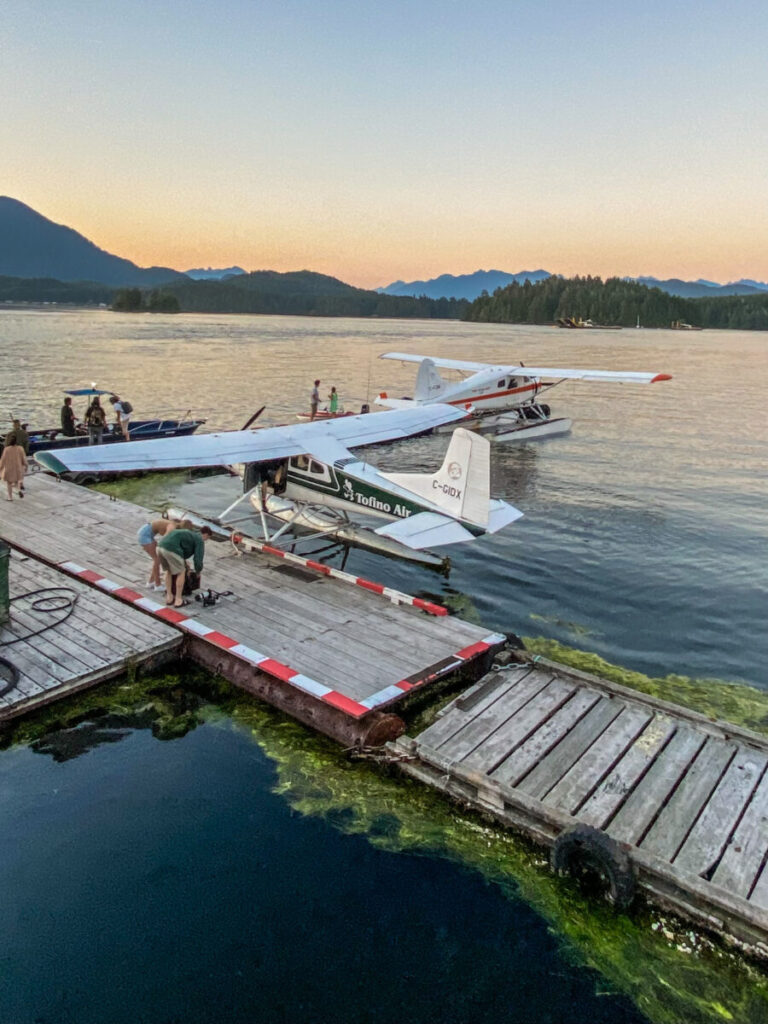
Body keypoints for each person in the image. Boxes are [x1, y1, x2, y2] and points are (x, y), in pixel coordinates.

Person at [157, 526, 212, 608]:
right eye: (207, 538)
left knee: (168, 571)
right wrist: (198, 572)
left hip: (160, 546)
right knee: (181, 571)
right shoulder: (199, 540)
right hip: (171, 549)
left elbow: (181, 547)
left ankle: (169, 597)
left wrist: (184, 561)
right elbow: (198, 559)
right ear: (206, 535)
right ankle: (178, 600)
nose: (205, 540)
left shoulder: (189, 533)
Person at [137, 518, 176, 589]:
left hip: (145, 532)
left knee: (157, 560)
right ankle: (158, 585)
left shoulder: (170, 524)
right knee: (157, 560)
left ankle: (151, 582)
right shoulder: (172, 526)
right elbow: (165, 539)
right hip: (144, 535)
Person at [0, 435, 28, 501]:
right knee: (16, 481)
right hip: (18, 469)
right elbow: (24, 459)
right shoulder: (20, 448)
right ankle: (18, 490)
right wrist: (26, 466)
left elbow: (3, 460)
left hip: (9, 469)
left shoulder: (7, 449)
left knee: (9, 483)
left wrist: (0, 467)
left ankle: (10, 497)